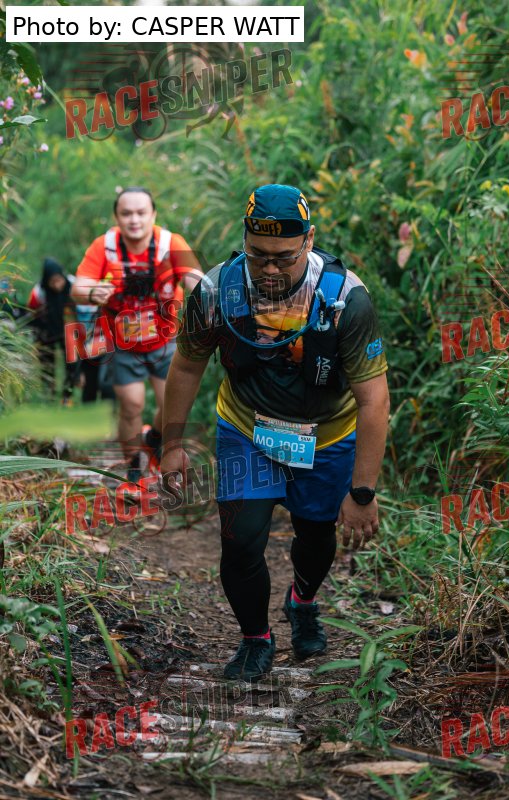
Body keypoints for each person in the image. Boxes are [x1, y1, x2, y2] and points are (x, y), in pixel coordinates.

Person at [160, 184, 390, 682]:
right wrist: (171, 445)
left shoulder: (345, 299)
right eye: (257, 254)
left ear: (309, 240)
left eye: (283, 258)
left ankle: (302, 601)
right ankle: (255, 638)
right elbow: (186, 367)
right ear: (244, 240)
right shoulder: (216, 291)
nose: (269, 269)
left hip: (327, 438)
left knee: (316, 538)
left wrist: (363, 491)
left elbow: (374, 399)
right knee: (241, 540)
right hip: (248, 429)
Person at [72, 187, 203, 482]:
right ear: (117, 217)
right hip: (124, 343)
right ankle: (134, 467)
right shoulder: (105, 246)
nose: (134, 220)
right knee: (131, 405)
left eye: (141, 213)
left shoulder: (171, 243)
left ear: (153, 214)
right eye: (126, 213)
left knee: (172, 405)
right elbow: (78, 287)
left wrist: (203, 295)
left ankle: (153, 438)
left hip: (166, 339)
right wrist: (92, 292)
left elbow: (197, 281)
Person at [28, 258, 78, 404]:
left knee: (72, 364)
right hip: (46, 333)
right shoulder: (38, 293)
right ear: (46, 280)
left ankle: (67, 396)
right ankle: (49, 396)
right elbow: (32, 314)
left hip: (69, 330)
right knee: (47, 365)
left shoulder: (74, 284)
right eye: (52, 282)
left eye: (59, 280)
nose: (57, 285)